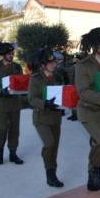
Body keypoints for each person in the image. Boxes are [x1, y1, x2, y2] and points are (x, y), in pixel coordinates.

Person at [75, 27, 100, 191]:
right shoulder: (83, 65)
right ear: (95, 45)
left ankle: (96, 174)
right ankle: (94, 173)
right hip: (88, 110)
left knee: (98, 144)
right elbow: (82, 91)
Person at [28, 48, 64, 187]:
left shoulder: (58, 77)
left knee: (54, 147)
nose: (54, 64)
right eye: (51, 62)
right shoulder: (35, 78)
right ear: (43, 65)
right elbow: (31, 99)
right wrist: (45, 103)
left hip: (55, 117)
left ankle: (52, 174)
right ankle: (48, 170)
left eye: (54, 62)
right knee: (49, 144)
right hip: (41, 117)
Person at [0, 42, 24, 165]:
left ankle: (13, 153)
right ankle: (0, 151)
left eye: (12, 53)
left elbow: (21, 82)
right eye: (9, 54)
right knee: (2, 128)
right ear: (3, 55)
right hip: (2, 103)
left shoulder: (17, 67)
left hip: (15, 103)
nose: (11, 55)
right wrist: (1, 92)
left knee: (15, 129)